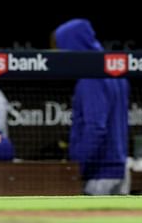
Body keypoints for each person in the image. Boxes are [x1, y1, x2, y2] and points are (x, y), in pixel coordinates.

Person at [54, 18, 129, 195]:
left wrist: (76, 167)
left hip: (98, 173)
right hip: (118, 168)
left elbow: (95, 129)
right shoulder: (114, 70)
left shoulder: (91, 76)